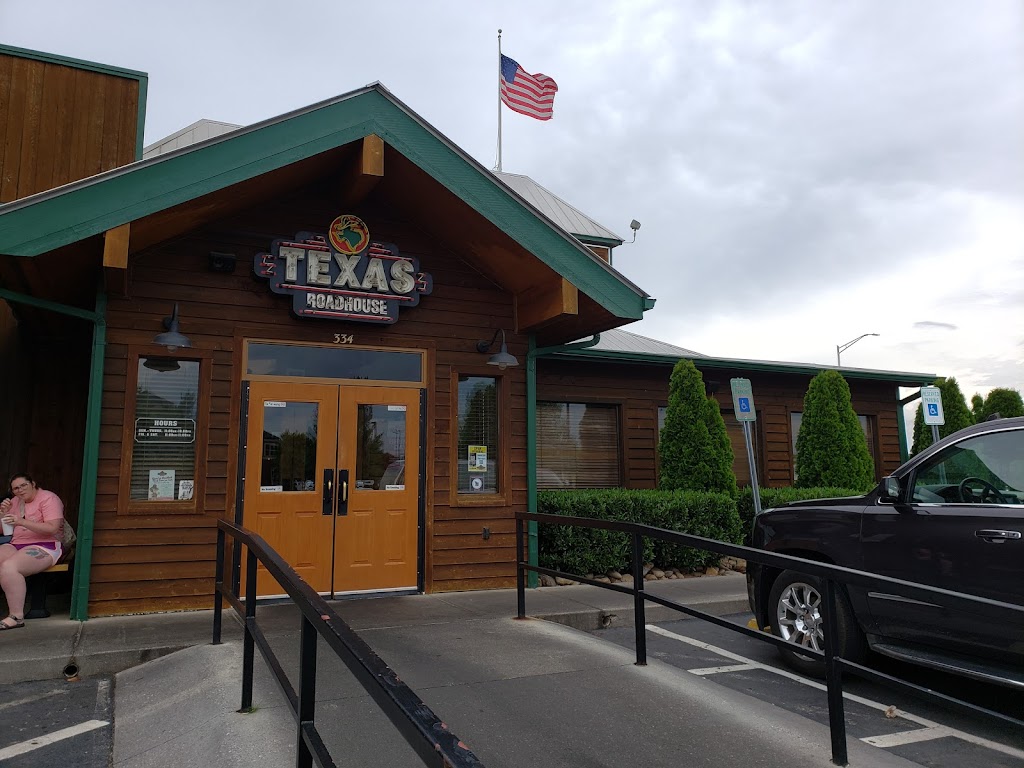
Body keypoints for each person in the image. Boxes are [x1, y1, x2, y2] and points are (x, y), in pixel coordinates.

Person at [0, 473, 65, 630]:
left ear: (33, 483)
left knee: (10, 567)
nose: (20, 490)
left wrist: (21, 521)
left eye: (23, 485)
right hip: (17, 544)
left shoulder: (49, 498)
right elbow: (4, 531)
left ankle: (16, 617)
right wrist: (3, 514)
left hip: (46, 546)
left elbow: (52, 528)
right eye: (16, 488)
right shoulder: (15, 502)